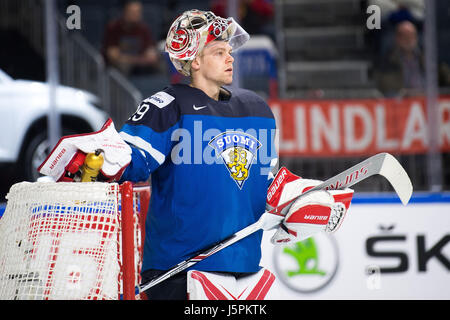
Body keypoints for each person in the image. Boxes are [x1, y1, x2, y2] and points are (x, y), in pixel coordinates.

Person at [39, 9, 354, 300]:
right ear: (194, 61)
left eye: (229, 50)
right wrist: (97, 160)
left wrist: (301, 196)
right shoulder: (168, 105)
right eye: (219, 51)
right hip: (180, 270)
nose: (230, 56)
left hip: (244, 269)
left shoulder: (257, 109)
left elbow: (261, 182)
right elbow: (132, 158)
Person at [102, 0, 159, 77]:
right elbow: (113, 56)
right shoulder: (113, 28)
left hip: (139, 67)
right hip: (119, 70)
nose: (136, 15)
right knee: (124, 66)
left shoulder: (143, 28)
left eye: (138, 12)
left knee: (157, 65)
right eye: (132, 12)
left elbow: (151, 55)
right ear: (124, 12)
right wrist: (139, 59)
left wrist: (137, 60)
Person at [374, 20, 425, 97]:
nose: (408, 39)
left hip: (426, 98)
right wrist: (404, 93)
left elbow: (440, 77)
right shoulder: (388, 60)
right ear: (397, 38)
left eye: (411, 35)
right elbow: (384, 84)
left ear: (416, 37)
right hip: (401, 102)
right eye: (404, 35)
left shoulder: (426, 57)